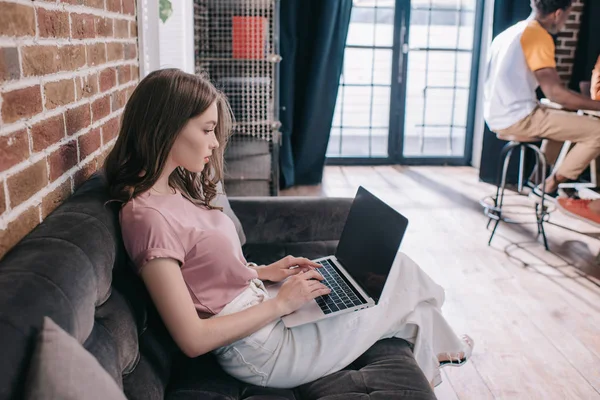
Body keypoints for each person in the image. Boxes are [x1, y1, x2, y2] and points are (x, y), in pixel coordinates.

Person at [104, 68, 473, 389]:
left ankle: (438, 355)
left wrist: (264, 273)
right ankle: (444, 352)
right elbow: (194, 338)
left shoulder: (174, 187)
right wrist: (282, 303)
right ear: (167, 128)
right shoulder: (146, 217)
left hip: (262, 309)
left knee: (397, 287)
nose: (215, 142)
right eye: (207, 129)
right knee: (400, 278)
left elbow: (203, 274)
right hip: (263, 353)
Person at [484, 0, 600, 196]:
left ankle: (538, 178)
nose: (565, 20)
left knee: (566, 113)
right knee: (597, 131)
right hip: (518, 117)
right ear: (557, 14)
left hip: (499, 113)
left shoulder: (512, 32)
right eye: (568, 15)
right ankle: (549, 186)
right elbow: (556, 94)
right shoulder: (537, 35)